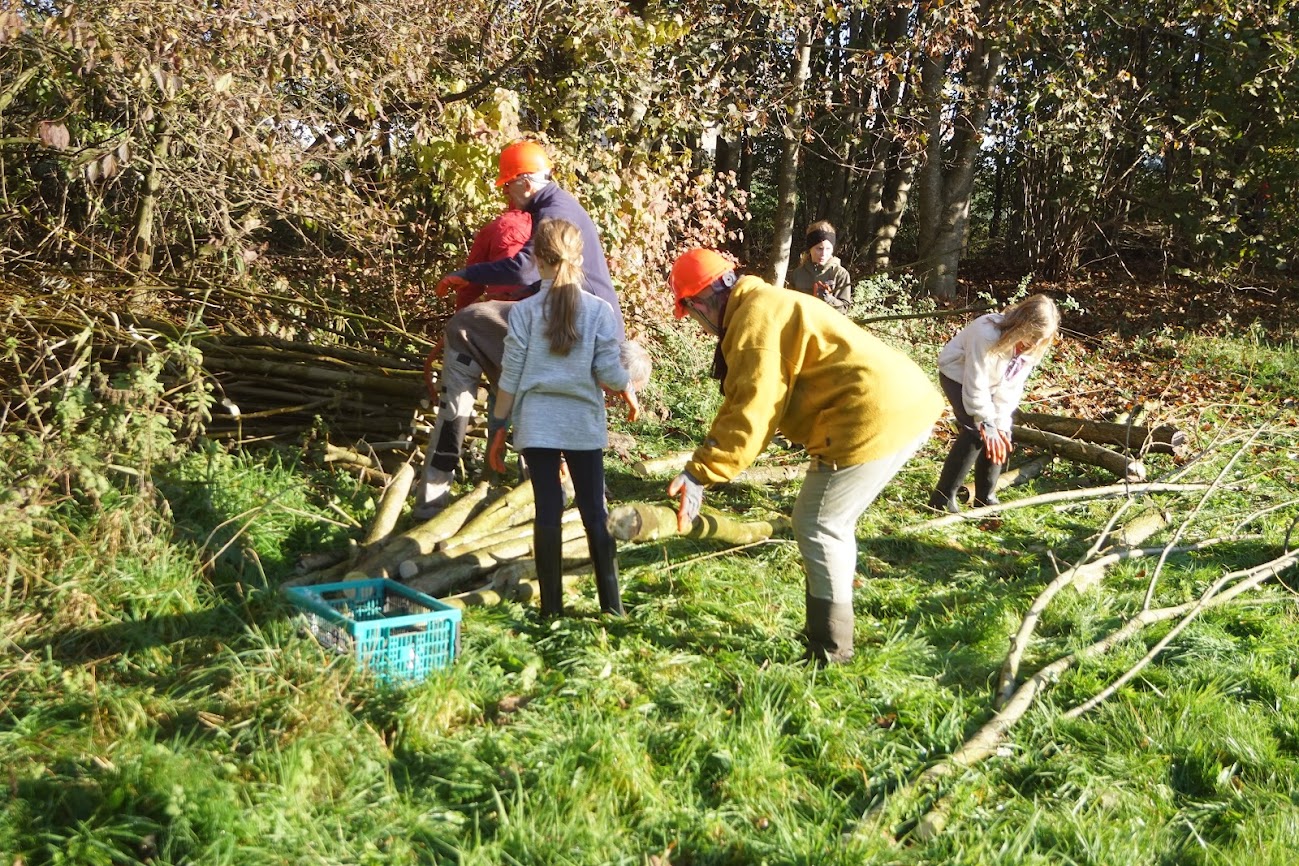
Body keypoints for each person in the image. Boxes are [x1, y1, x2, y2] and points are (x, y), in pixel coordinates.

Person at [666, 249, 944, 664]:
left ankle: (831, 651)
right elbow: (744, 399)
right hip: (903, 402)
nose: (701, 327)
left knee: (818, 523)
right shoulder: (763, 304)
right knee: (831, 520)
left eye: (693, 314)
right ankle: (832, 634)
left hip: (871, 415)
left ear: (700, 301)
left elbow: (752, 412)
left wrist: (700, 473)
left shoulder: (754, 321)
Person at [415, 140, 630, 517]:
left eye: (507, 186)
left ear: (525, 183)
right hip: (582, 323)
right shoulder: (560, 206)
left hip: (571, 322)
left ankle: (435, 493)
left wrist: (466, 276)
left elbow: (524, 270)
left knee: (466, 327)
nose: (508, 196)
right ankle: (573, 499)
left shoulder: (549, 213)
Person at [490, 218, 645, 617]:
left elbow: (511, 376)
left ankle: (550, 611)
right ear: (579, 259)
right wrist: (627, 388)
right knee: (595, 511)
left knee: (547, 512)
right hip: (582, 424)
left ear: (538, 260)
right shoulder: (598, 311)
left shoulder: (523, 313)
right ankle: (613, 607)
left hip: (537, 423)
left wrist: (498, 427)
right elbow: (610, 372)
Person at [927, 294, 1061, 513]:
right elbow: (975, 381)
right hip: (958, 376)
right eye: (1033, 335)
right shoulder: (986, 333)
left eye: (1041, 338)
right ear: (1022, 323)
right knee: (976, 432)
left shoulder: (1036, 346)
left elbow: (1010, 388)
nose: (1035, 343)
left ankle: (986, 497)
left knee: (1001, 436)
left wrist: (1000, 425)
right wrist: (984, 422)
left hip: (992, 386)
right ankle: (942, 498)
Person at [787, 220, 853, 312]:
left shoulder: (840, 274)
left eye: (828, 249)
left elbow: (844, 308)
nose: (823, 254)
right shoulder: (798, 274)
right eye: (819, 249)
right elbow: (789, 305)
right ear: (810, 248)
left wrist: (829, 299)